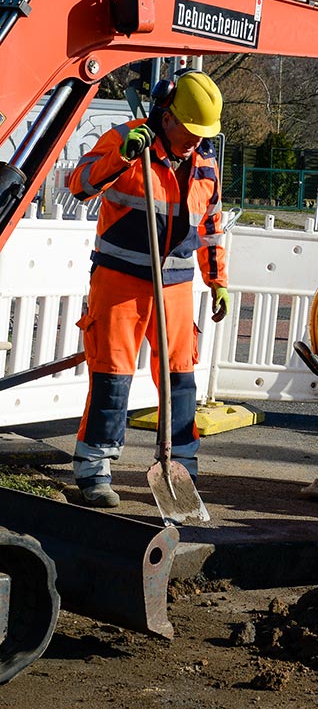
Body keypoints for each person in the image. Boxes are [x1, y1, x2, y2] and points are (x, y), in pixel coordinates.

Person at [68, 70, 230, 508]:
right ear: (168, 115)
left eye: (203, 133)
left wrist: (217, 280)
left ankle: (181, 467)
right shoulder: (127, 139)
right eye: (190, 130)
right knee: (113, 376)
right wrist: (120, 158)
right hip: (120, 280)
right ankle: (94, 468)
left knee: (180, 380)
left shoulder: (207, 162)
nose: (195, 140)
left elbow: (211, 226)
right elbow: (79, 185)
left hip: (175, 285)